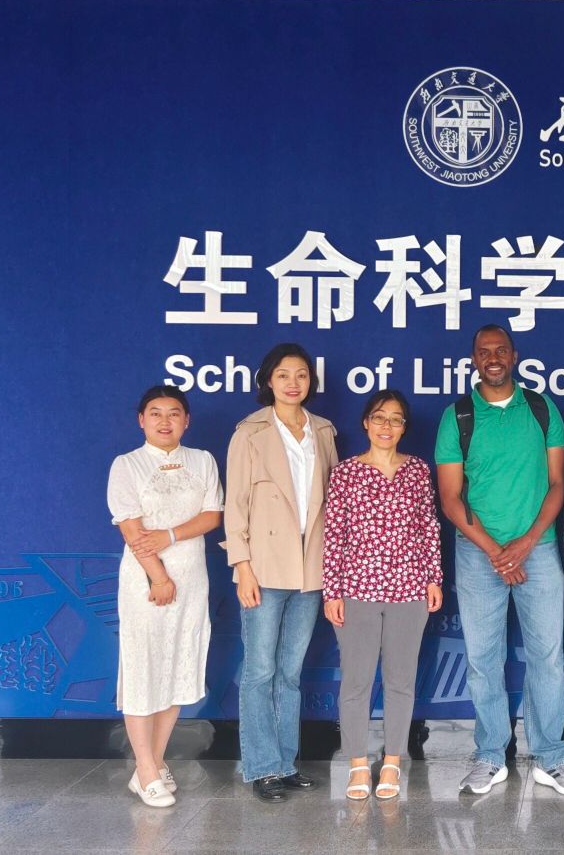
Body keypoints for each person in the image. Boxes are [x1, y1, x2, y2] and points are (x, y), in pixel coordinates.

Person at [434, 324, 564, 797]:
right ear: (474, 359)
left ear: (514, 356)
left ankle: (551, 757)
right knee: (483, 659)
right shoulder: (457, 416)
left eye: (501, 350)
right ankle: (490, 756)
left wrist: (527, 541)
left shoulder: (541, 408)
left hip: (537, 551)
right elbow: (450, 498)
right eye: (484, 351)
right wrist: (497, 551)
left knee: (547, 657)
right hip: (479, 555)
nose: (493, 357)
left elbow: (558, 484)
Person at [223, 343, 338, 801]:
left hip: (310, 570)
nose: (293, 383)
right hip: (265, 568)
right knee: (260, 670)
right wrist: (242, 566)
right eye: (284, 374)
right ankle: (262, 766)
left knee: (290, 672)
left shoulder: (322, 431)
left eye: (302, 374)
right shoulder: (249, 432)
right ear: (268, 380)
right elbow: (235, 505)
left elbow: (332, 503)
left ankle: (285, 763)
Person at [323, 390, 443, 801]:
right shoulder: (345, 473)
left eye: (395, 419)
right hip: (357, 588)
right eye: (379, 417)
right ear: (365, 423)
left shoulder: (417, 470)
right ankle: (358, 764)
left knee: (400, 681)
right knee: (356, 681)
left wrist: (433, 578)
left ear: (404, 427)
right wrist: (332, 590)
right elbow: (334, 535)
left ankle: (392, 761)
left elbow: (429, 527)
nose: (386, 426)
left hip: (409, 589)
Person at [108, 385, 222, 808]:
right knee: (143, 668)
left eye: (174, 413)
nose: (164, 420)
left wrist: (171, 535)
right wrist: (157, 577)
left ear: (186, 420)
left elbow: (212, 515)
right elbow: (132, 529)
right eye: (155, 413)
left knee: (177, 665)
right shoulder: (127, 465)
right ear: (141, 420)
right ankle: (145, 767)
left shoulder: (202, 460)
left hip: (191, 577)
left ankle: (152, 764)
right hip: (145, 581)